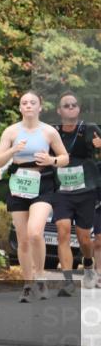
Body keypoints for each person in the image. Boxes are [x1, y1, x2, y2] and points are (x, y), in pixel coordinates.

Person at [0, 91, 69, 302]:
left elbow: (65, 157)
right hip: (19, 184)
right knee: (22, 240)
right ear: (20, 108)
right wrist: (13, 151)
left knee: (34, 233)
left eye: (33, 102)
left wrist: (52, 161)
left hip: (43, 184)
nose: (29, 105)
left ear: (40, 107)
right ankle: (28, 284)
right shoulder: (11, 132)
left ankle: (40, 277)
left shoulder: (49, 132)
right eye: (24, 103)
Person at [51, 92, 101, 292]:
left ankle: (88, 263)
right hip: (62, 192)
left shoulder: (89, 129)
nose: (70, 108)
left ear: (78, 109)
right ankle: (69, 281)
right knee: (62, 232)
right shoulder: (53, 132)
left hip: (86, 191)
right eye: (66, 105)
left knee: (84, 238)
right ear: (59, 110)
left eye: (73, 105)